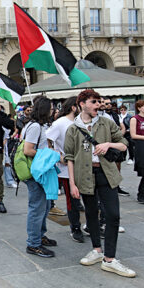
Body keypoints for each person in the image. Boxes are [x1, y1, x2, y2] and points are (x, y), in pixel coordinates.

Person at [64, 89, 134, 277]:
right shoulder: (73, 128)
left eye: (99, 102)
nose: (98, 105)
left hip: (106, 174)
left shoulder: (106, 123)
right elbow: (69, 157)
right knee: (91, 213)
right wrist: (72, 184)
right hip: (84, 175)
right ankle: (97, 249)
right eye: (94, 102)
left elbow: (124, 143)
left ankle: (110, 259)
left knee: (113, 214)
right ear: (82, 104)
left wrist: (108, 145)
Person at [21, 96, 57, 258]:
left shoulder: (39, 126)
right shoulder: (34, 127)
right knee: (37, 208)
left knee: (46, 205)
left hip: (42, 170)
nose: (53, 111)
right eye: (50, 108)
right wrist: (49, 155)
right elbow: (28, 150)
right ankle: (33, 244)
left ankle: (40, 236)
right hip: (36, 171)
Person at [46, 96, 84, 242]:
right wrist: (58, 155)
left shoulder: (82, 121)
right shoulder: (60, 123)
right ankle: (75, 228)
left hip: (85, 167)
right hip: (67, 169)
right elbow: (48, 139)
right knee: (72, 200)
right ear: (74, 107)